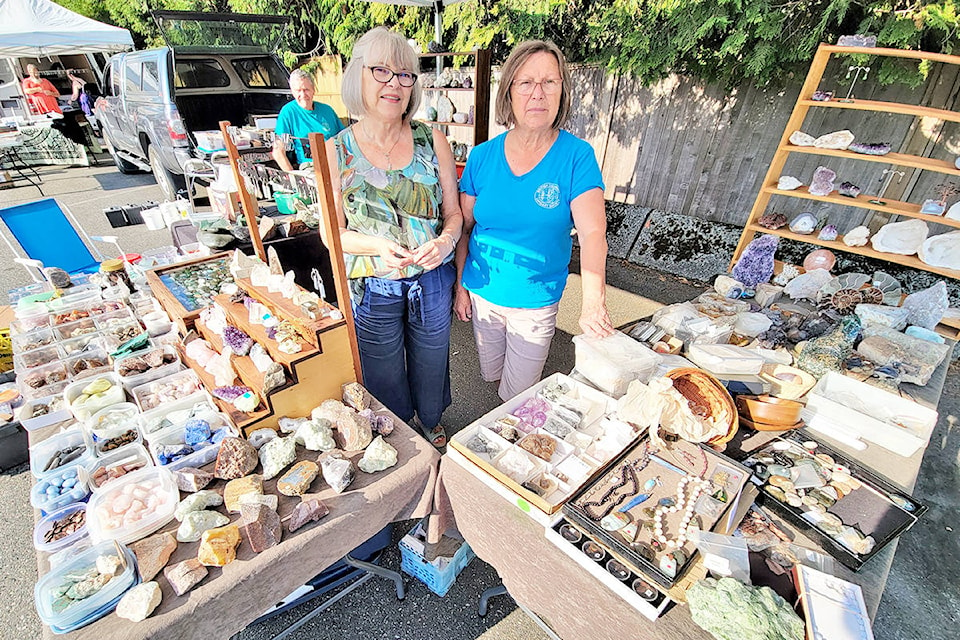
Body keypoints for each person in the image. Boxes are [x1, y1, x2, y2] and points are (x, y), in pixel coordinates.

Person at [325, 27, 462, 448]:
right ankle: (399, 437)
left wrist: (444, 243)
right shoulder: (335, 150)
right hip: (373, 284)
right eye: (381, 71)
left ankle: (433, 421)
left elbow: (454, 216)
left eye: (405, 75)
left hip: (432, 279)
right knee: (381, 370)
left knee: (432, 360)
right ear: (357, 78)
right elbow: (333, 237)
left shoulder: (432, 139)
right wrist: (375, 246)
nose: (394, 84)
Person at [454, 40, 614, 402]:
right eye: (526, 83)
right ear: (509, 91)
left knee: (520, 395)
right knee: (492, 375)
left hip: (535, 301)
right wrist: (460, 286)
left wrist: (594, 302)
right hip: (483, 293)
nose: (537, 94)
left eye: (549, 82)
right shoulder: (481, 157)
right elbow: (465, 228)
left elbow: (592, 233)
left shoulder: (577, 156)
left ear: (562, 91)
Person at [273, 69, 344, 171]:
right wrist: (295, 179)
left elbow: (344, 139)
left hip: (336, 163)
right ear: (292, 91)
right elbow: (278, 151)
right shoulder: (288, 112)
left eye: (306, 90)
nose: (303, 95)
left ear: (313, 90)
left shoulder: (327, 110)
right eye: (298, 90)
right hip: (311, 168)